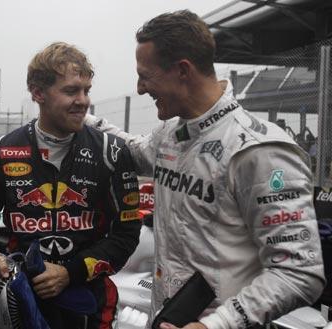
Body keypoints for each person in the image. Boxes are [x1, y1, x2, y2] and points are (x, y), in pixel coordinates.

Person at [85, 10, 325, 329]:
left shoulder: (259, 150)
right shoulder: (172, 133)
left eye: (146, 75)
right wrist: (80, 118)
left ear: (182, 70)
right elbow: (131, 151)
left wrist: (215, 324)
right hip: (167, 317)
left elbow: (300, 273)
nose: (141, 88)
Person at [0, 42, 141, 329]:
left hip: (88, 299)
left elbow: (127, 233)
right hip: (20, 298)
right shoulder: (0, 152)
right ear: (38, 93)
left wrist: (70, 273)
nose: (83, 100)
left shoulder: (112, 152)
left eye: (86, 90)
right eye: (71, 91)